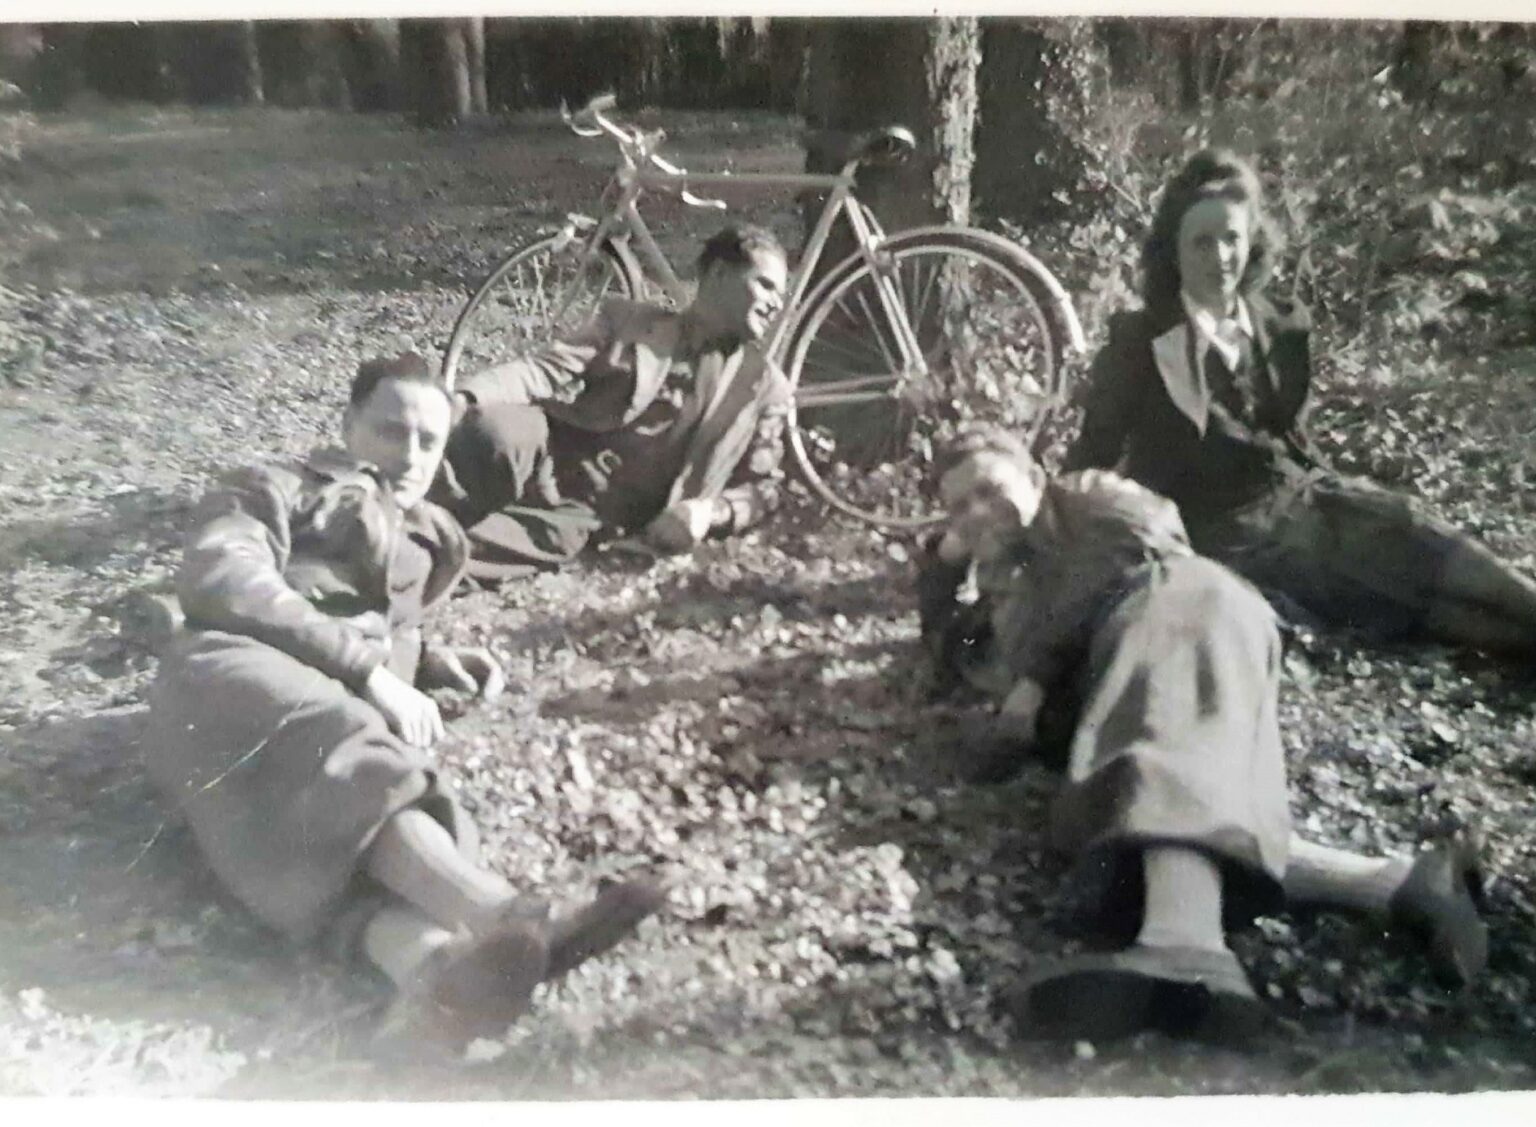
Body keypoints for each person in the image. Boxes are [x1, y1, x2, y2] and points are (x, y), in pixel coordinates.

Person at [144, 353, 666, 1046]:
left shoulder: (426, 536)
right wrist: (369, 669)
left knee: (338, 848)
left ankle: (431, 975)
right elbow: (222, 576)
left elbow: (388, 626)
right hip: (229, 673)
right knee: (341, 742)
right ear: (347, 426)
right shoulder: (273, 485)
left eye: (429, 440)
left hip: (310, 718)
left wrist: (425, 662)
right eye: (391, 431)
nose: (411, 454)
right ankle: (509, 912)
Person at [918, 428, 1488, 1044]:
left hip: (1186, 613)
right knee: (1141, 797)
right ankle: (1401, 882)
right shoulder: (1003, 579)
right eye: (959, 505)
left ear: (1033, 476)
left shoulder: (1090, 495)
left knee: (1159, 756)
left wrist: (1033, 679)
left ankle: (1185, 949)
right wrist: (946, 556)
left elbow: (1137, 550)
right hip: (1131, 699)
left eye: (988, 489)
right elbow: (947, 643)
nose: (976, 511)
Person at [1066, 148, 1536, 657]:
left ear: (1252, 243)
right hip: (1228, 534)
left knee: (1412, 531)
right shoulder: (1140, 343)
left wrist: (1336, 495)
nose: (1220, 258)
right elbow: (1095, 449)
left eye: (1232, 239)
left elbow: (1295, 436)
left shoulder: (1277, 323)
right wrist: (1053, 525)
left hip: (1303, 496)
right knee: (1392, 599)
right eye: (1201, 243)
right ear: (1172, 253)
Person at [435, 224, 792, 582]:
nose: (778, 303)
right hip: (553, 450)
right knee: (494, 431)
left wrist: (708, 512)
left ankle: (408, 556)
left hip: (591, 511)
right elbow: (543, 371)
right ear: (718, 274)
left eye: (781, 293)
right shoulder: (628, 321)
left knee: (469, 549)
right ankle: (401, 503)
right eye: (766, 285)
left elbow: (765, 487)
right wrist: (463, 398)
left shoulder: (763, 386)